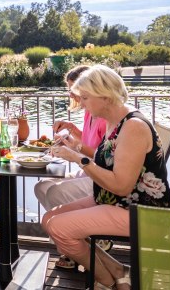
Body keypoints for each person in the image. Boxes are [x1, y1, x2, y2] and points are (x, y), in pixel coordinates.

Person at [42, 65, 170, 289]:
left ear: (105, 96)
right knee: (48, 220)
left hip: (141, 212)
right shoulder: (115, 120)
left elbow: (121, 186)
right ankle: (118, 271)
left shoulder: (133, 127)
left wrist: (78, 159)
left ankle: (106, 282)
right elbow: (107, 160)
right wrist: (77, 147)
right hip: (115, 201)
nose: (81, 103)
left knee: (59, 228)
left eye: (85, 98)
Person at [33, 65, 108, 270]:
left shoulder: (104, 116)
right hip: (88, 171)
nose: (71, 94)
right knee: (41, 187)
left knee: (55, 192)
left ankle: (74, 248)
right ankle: (74, 243)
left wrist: (75, 150)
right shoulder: (89, 113)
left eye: (74, 89)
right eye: (70, 89)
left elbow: (102, 155)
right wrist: (72, 130)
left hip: (100, 176)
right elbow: (89, 142)